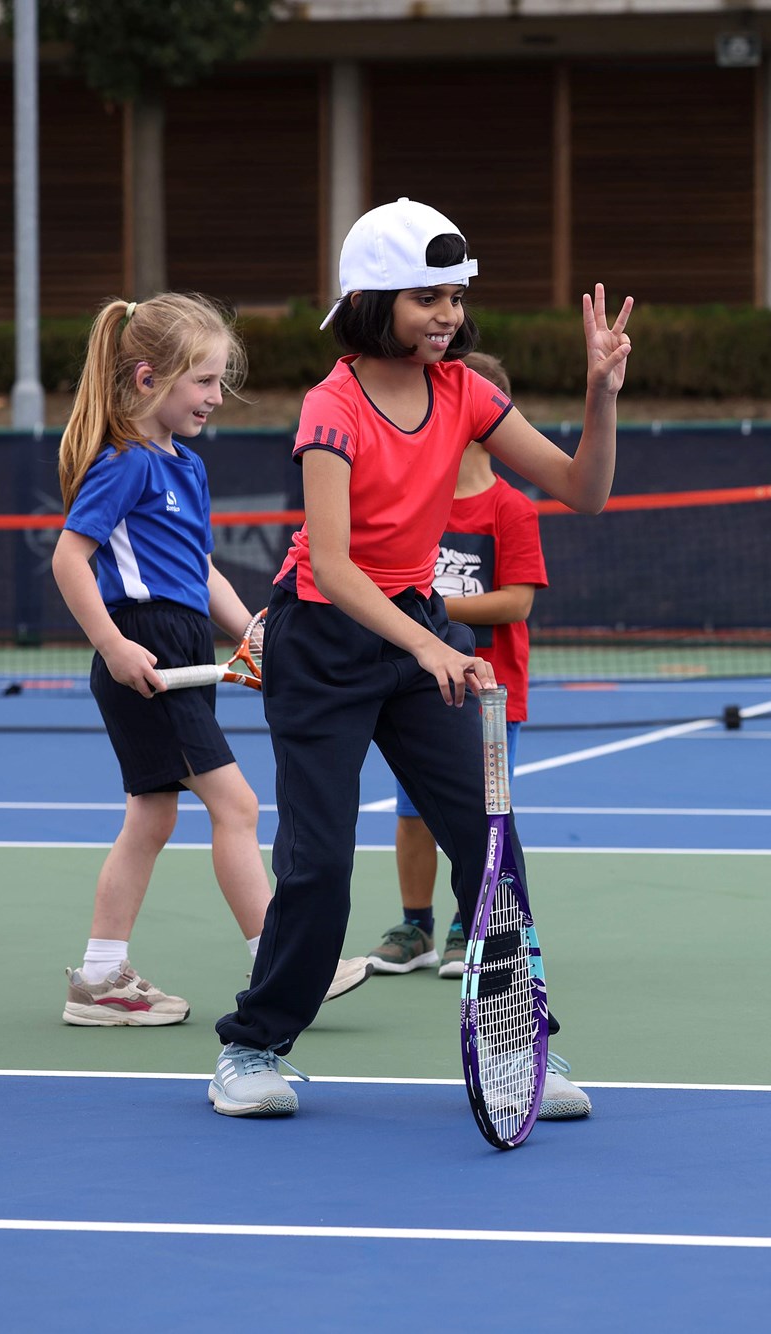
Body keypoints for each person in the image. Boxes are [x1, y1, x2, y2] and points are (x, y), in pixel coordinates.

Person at [208, 199, 627, 1119]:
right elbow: (329, 564)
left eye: (454, 298)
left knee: (492, 846)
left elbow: (580, 491)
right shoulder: (332, 405)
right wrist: (435, 643)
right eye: (425, 297)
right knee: (317, 864)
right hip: (321, 642)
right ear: (373, 299)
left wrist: (600, 394)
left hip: (413, 629)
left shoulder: (468, 392)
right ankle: (252, 1048)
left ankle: (519, 1041)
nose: (446, 314)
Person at [52, 293, 370, 1029]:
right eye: (202, 381)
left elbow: (199, 572)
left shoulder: (184, 467)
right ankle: (283, 964)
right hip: (144, 653)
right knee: (238, 805)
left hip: (182, 646)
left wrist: (257, 632)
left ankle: (99, 977)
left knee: (151, 818)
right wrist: (113, 644)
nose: (215, 397)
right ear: (146, 378)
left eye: (219, 380)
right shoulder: (125, 465)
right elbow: (71, 559)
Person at [366, 350, 549, 982]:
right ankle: (415, 924)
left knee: (482, 815)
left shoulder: (511, 510)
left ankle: (467, 928)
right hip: (418, 686)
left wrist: (430, 606)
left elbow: (516, 600)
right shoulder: (418, 502)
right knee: (411, 812)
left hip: (490, 692)